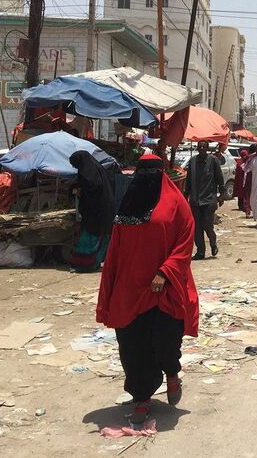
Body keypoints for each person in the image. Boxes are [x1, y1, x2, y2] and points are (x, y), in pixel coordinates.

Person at [97, 153, 199, 424]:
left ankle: (172, 372)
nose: (147, 178)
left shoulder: (177, 203)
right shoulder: (128, 206)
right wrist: (112, 283)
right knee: (133, 344)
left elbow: (185, 242)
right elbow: (116, 248)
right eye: (143, 172)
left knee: (165, 340)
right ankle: (141, 395)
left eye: (152, 172)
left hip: (163, 288)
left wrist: (164, 273)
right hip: (130, 288)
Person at [69, 150, 115, 272]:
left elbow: (92, 190)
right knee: (100, 236)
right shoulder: (97, 170)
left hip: (95, 212)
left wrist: (80, 192)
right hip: (105, 210)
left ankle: (85, 264)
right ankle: (92, 263)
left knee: (89, 237)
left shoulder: (88, 174)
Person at [184, 142, 225, 259]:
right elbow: (188, 181)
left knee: (207, 224)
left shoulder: (213, 161)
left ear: (207, 148)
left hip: (209, 200)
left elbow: (220, 179)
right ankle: (200, 251)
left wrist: (221, 195)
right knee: (197, 227)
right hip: (195, 200)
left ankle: (213, 243)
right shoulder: (192, 161)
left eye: (204, 147)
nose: (201, 148)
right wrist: (185, 196)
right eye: (200, 146)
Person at [233, 149, 248, 215]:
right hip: (241, 179)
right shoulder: (241, 162)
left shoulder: (247, 161)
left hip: (242, 179)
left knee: (243, 193)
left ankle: (243, 206)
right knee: (241, 193)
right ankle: (241, 206)